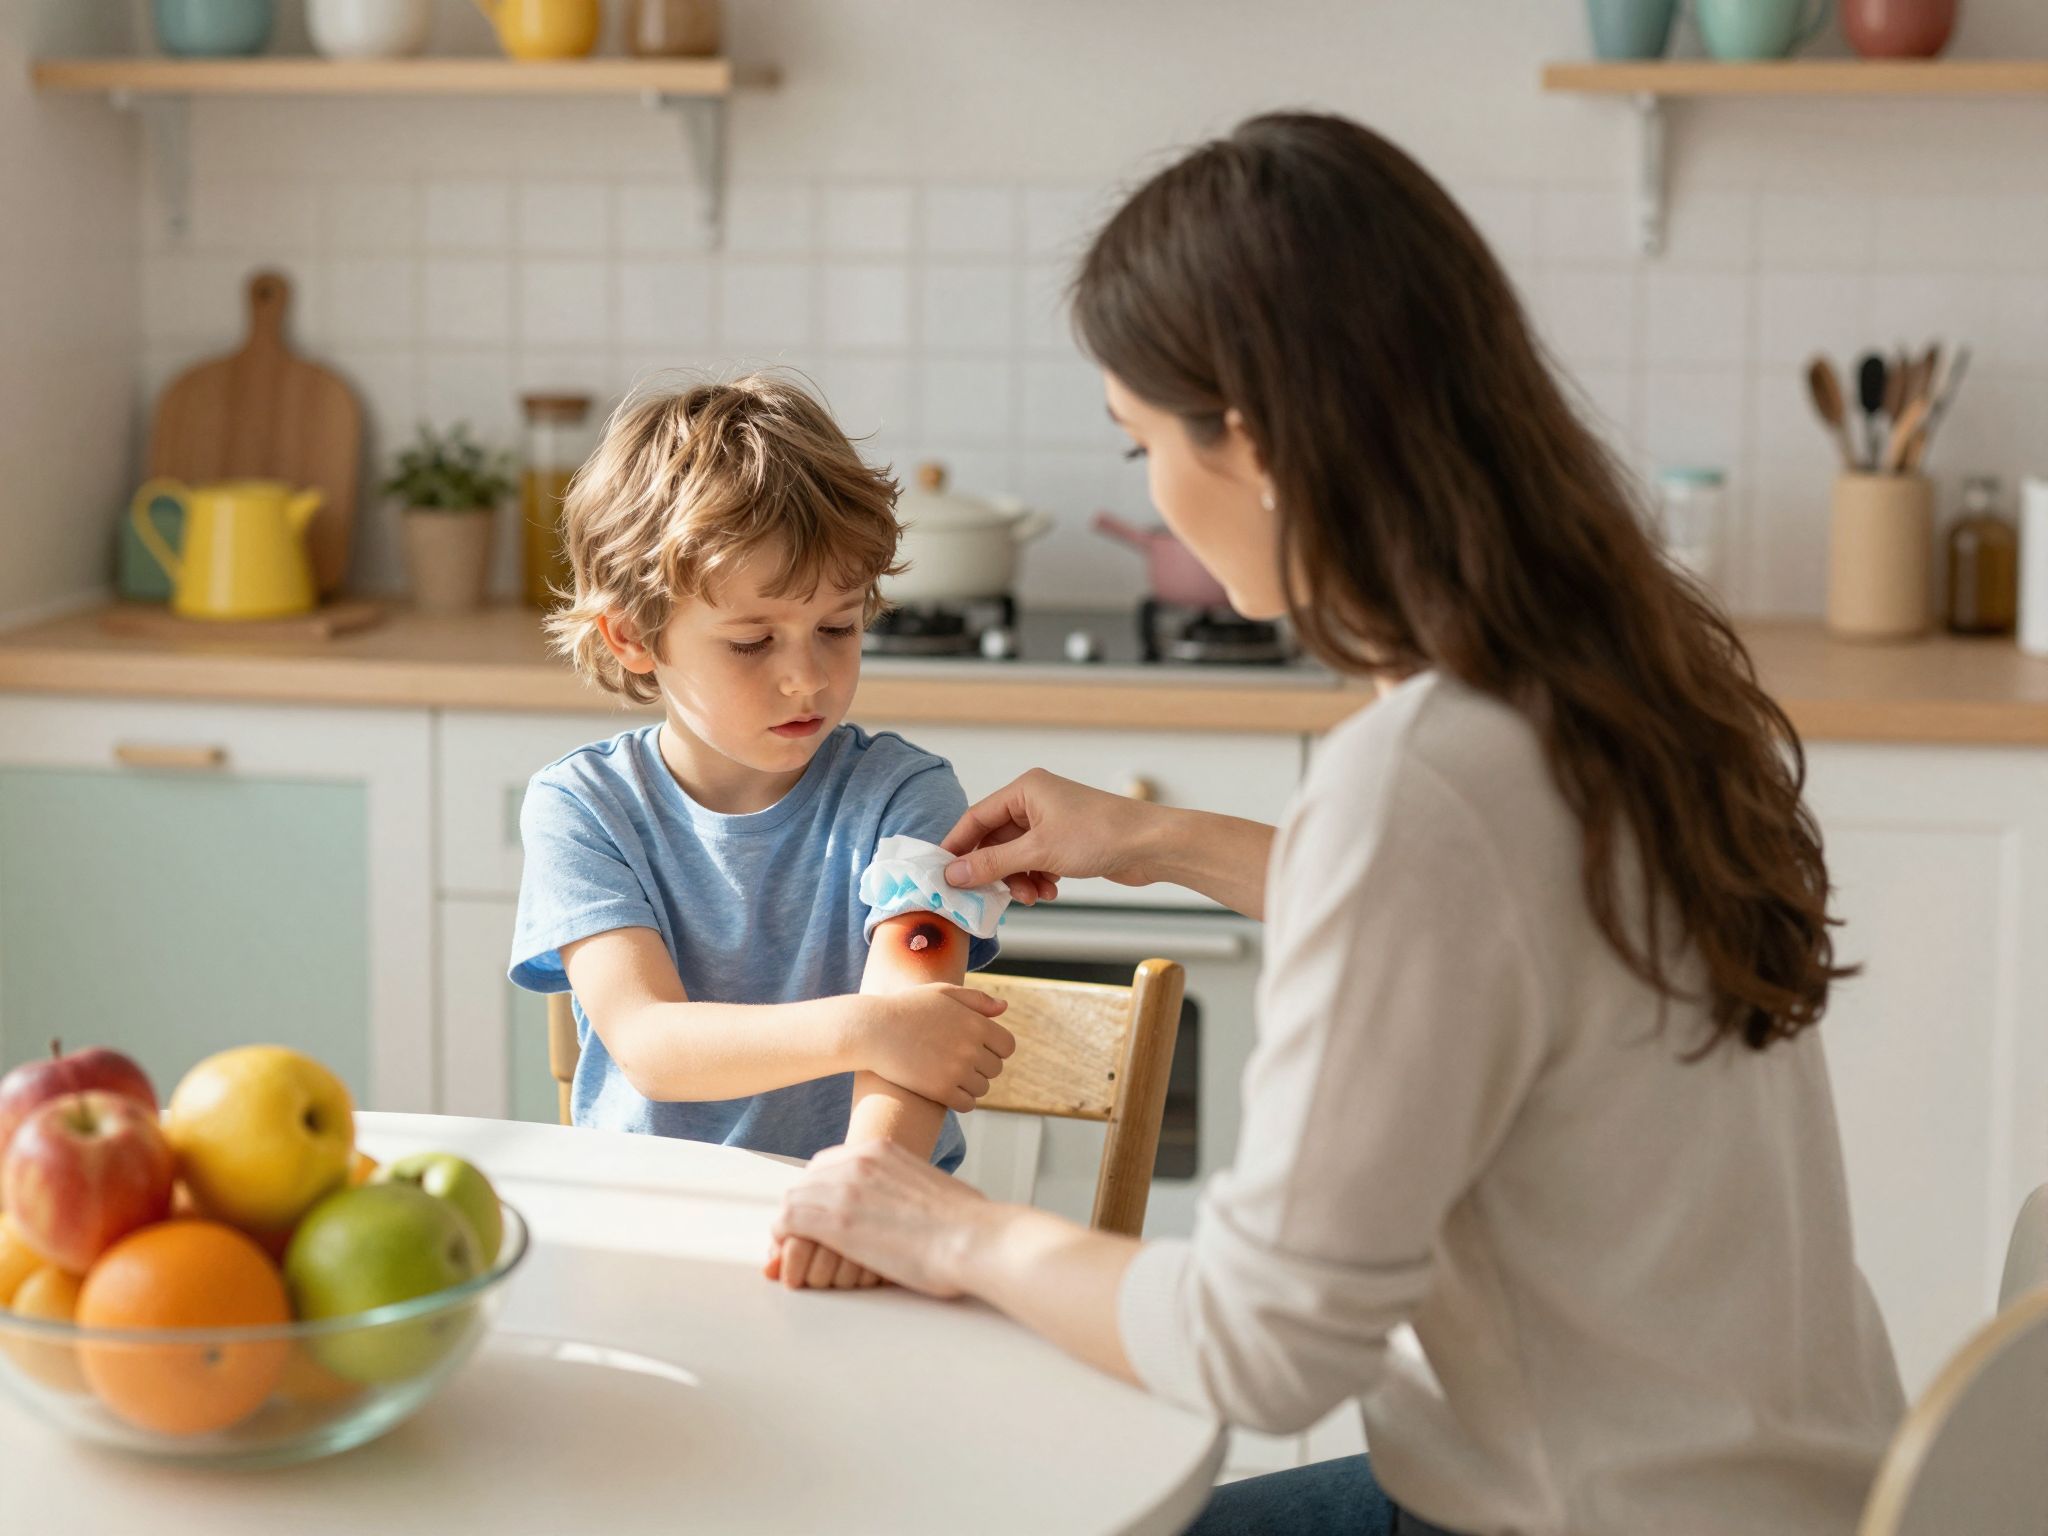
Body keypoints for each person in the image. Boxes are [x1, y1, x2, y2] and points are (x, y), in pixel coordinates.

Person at [771, 114, 1906, 1534]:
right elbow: (1494, 937)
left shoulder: (1423, 778)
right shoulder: (1624, 662)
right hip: (1799, 1487)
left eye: (1141, 445)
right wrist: (1152, 842)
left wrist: (948, 1229)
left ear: (1250, 439)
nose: (1153, 487)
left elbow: (1261, 1345)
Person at [509, 374, 1016, 1291]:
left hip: (869, 1229)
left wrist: (859, 1200)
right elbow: (651, 1045)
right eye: (752, 642)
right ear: (632, 637)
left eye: (839, 627)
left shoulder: (907, 796)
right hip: (648, 1241)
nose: (807, 679)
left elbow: (915, 1050)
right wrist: (869, 1026)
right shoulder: (580, 807)